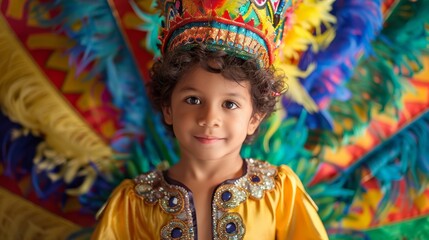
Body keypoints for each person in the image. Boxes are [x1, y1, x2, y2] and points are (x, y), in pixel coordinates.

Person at [92, 0, 328, 239]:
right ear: (168, 108)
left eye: (230, 104)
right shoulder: (133, 204)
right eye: (193, 100)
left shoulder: (279, 195)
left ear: (254, 118)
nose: (209, 119)